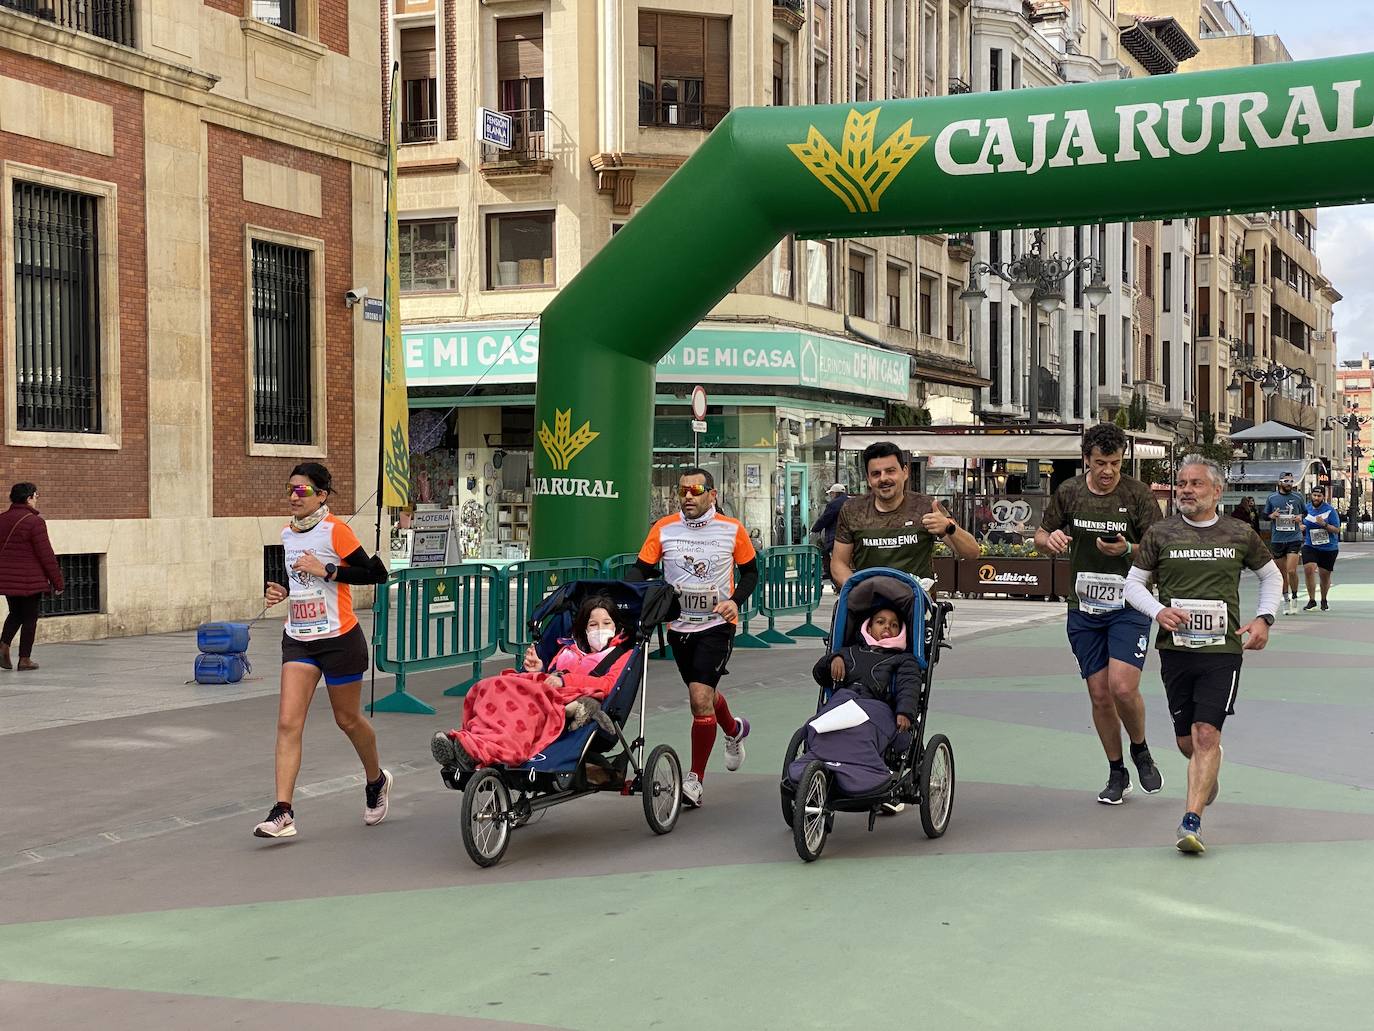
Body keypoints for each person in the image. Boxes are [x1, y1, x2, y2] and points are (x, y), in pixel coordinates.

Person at [1125, 456, 1282, 854]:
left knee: (1206, 733)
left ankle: (1191, 820)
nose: (1186, 490)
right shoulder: (1160, 533)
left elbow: (1271, 575)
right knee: (1186, 742)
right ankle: (1207, 772)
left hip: (1222, 650)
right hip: (1176, 650)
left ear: (1217, 491)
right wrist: (1158, 611)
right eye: (1181, 483)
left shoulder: (1238, 533)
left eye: (1195, 484)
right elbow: (1133, 586)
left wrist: (1264, 619)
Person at [254, 463, 391, 840]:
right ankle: (283, 811)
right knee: (287, 723)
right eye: (290, 490)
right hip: (298, 638)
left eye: (302, 491)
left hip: (339, 640)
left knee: (347, 720)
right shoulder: (286, 534)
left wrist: (329, 570)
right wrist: (281, 590)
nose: (293, 497)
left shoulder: (337, 531)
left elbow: (375, 575)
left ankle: (376, 780)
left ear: (321, 496)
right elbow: (296, 578)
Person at [1035, 423, 1164, 805]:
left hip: (1130, 602)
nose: (1108, 472)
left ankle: (1140, 749)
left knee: (1122, 687)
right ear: (1085, 460)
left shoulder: (1137, 495)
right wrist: (1051, 540)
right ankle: (1116, 770)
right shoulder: (1069, 492)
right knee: (1099, 694)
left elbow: (1159, 550)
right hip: (1084, 607)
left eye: (1115, 463)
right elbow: (1041, 536)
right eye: (1100, 463)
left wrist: (1127, 549)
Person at [634, 468, 758, 808]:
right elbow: (639, 570)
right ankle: (733, 730)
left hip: (717, 626)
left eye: (696, 490)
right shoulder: (663, 528)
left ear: (712, 495)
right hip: (678, 628)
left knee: (699, 697)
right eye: (683, 490)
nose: (688, 496)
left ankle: (695, 781)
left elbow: (751, 573)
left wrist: (734, 602)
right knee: (705, 695)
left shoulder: (732, 530)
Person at [431, 596, 633, 769]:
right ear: (584, 628)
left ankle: (475, 749)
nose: (600, 629)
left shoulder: (622, 655)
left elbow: (608, 684)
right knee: (488, 687)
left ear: (616, 626)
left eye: (606, 623)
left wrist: (564, 679)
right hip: (545, 689)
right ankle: (469, 742)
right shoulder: (569, 650)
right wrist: (539, 669)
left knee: (516, 705)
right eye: (593, 624)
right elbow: (550, 675)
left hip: (566, 697)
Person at [790, 607, 922, 803]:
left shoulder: (904, 660)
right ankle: (824, 762)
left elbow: (908, 686)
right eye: (881, 622)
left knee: (862, 729)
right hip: (844, 701)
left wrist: (905, 711)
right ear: (868, 628)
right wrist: (833, 659)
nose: (887, 626)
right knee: (819, 724)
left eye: (894, 625)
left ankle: (862, 768)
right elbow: (820, 674)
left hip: (878, 707)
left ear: (900, 632)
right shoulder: (848, 652)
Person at [831, 442, 979, 589]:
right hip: (869, 598)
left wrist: (948, 527)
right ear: (869, 480)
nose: (883, 478)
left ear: (905, 472)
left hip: (916, 601)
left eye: (890, 471)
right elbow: (838, 562)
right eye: (876, 474)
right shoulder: (853, 510)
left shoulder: (926, 506)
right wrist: (855, 587)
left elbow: (972, 552)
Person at [0, 483, 64, 672]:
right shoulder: (34, 522)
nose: (36, 499)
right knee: (30, 617)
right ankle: (24, 659)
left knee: (15, 613)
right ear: (28, 498)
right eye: (36, 495)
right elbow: (46, 554)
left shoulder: (2, 519)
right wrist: (57, 581)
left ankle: (3, 646)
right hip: (30, 579)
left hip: (7, 577)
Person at [1263, 473, 1306, 615]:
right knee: (1281, 574)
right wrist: (1271, 516)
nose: (1289, 484)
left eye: (1291, 481)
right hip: (1278, 539)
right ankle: (1286, 599)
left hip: (1294, 537)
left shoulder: (1298, 497)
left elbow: (1304, 512)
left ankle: (1294, 596)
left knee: (1291, 570)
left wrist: (1300, 517)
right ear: (1280, 482)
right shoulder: (1272, 498)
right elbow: (1265, 515)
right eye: (1286, 481)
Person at [1301, 484, 1341, 611]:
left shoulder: (1330, 510)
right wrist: (1300, 527)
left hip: (1328, 547)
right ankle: (1312, 600)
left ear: (1324, 496)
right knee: (1308, 569)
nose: (1316, 498)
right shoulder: (1306, 509)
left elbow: (1337, 529)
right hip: (1310, 544)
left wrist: (1324, 524)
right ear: (1311, 495)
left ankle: (1324, 600)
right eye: (1314, 495)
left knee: (1324, 575)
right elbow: (1301, 523)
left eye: (1319, 496)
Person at [811, 483, 848, 587]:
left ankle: (839, 585)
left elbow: (825, 518)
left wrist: (815, 529)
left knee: (834, 564)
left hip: (836, 539)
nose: (830, 496)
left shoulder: (834, 504)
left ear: (834, 493)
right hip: (851, 539)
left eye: (831, 494)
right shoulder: (851, 502)